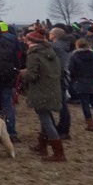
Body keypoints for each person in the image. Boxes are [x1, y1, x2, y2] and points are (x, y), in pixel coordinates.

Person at [21, 30, 66, 161]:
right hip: (51, 88)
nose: (26, 41)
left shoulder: (34, 55)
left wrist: (23, 73)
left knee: (46, 119)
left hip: (40, 90)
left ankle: (59, 153)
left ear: (33, 42)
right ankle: (42, 145)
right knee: (45, 116)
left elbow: (32, 75)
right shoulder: (51, 53)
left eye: (28, 40)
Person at [68, 38, 93, 130]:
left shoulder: (74, 57)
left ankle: (90, 124)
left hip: (80, 81)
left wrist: (75, 78)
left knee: (85, 103)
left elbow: (71, 70)